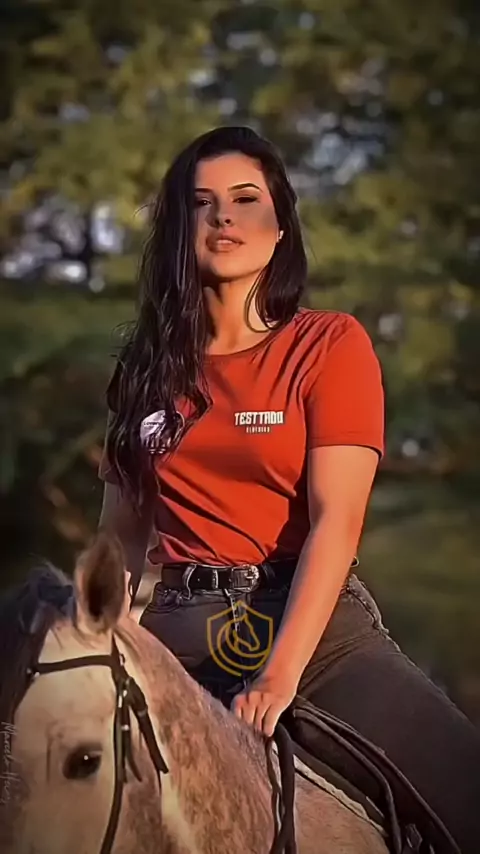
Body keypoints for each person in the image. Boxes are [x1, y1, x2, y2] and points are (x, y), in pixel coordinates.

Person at [98, 125, 480, 853]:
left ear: (279, 228)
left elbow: (337, 523)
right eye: (201, 202)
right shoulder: (144, 368)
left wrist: (278, 677)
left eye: (246, 199)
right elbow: (117, 543)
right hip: (177, 641)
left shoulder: (329, 345)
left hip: (317, 637)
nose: (223, 217)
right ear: (179, 229)